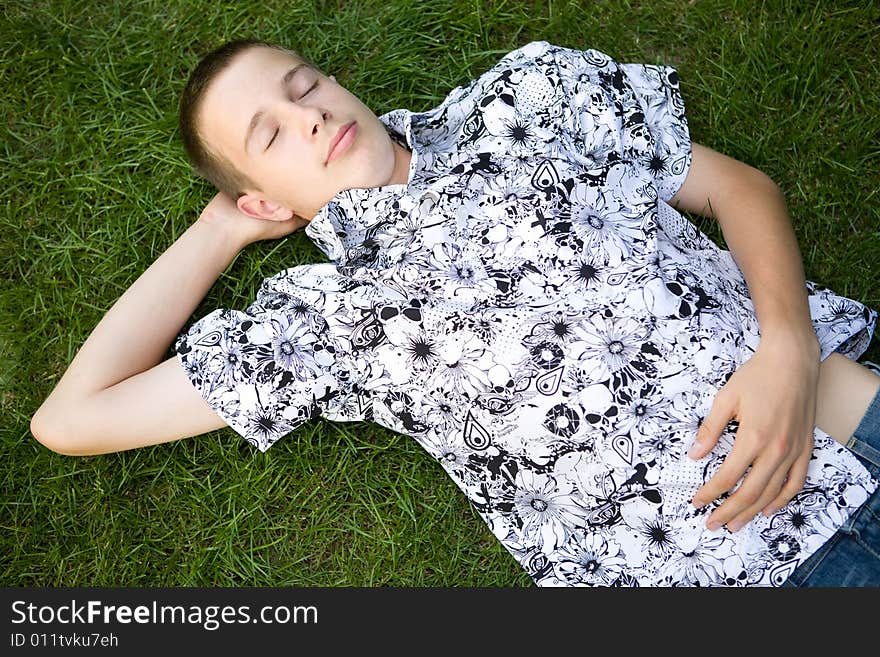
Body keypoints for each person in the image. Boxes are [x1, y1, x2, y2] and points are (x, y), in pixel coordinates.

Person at [30, 39, 880, 587]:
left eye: (305, 85)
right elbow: (72, 417)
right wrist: (218, 231)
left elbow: (737, 188)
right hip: (769, 577)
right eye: (272, 135)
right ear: (259, 199)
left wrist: (789, 348)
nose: (312, 113)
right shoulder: (324, 324)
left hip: (854, 417)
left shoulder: (522, 103)